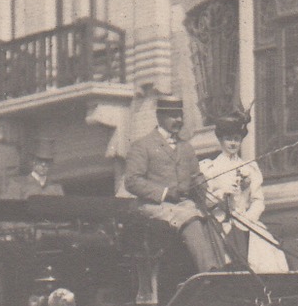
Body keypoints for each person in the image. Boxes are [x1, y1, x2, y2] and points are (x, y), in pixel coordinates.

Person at [123, 93, 227, 272]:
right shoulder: (142, 145)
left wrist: (205, 191)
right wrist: (165, 192)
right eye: (173, 116)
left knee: (211, 221)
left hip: (183, 205)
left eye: (181, 115)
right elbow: (132, 181)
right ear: (160, 117)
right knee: (191, 220)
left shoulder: (185, 147)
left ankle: (224, 269)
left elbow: (196, 176)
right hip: (154, 206)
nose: (179, 119)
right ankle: (210, 272)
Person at [199, 109, 289, 274]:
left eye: (237, 139)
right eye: (228, 139)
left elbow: (258, 200)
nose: (233, 144)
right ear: (220, 139)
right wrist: (222, 193)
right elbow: (205, 202)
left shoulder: (250, 168)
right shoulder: (210, 168)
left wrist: (249, 218)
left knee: (267, 252)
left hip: (247, 221)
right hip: (221, 223)